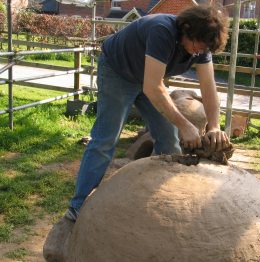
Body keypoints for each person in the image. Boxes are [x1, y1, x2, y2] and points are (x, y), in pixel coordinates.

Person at [65, 4, 230, 222]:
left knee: (169, 141)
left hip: (148, 79)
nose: (199, 52)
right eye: (197, 46)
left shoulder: (201, 46)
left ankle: (160, 200)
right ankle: (78, 206)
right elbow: (153, 88)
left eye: (203, 49)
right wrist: (185, 125)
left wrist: (215, 126)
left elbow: (209, 88)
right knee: (106, 139)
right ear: (186, 28)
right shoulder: (162, 30)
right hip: (118, 72)